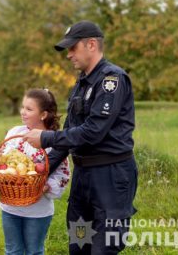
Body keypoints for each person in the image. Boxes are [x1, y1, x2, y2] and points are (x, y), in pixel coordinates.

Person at [23, 21, 138, 254]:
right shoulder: (81, 83)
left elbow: (94, 132)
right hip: (83, 178)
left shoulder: (112, 80)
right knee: (78, 243)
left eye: (73, 48)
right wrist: (40, 169)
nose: (69, 55)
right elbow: (70, 133)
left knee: (104, 247)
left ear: (92, 45)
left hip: (111, 177)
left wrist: (46, 137)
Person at [0, 89, 70, 255]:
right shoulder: (15, 133)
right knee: (12, 251)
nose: (23, 112)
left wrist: (45, 186)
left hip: (38, 210)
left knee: (35, 251)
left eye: (29, 109)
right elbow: (2, 158)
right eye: (23, 107)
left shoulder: (53, 140)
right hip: (10, 207)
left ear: (43, 114)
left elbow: (63, 175)